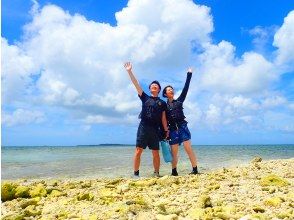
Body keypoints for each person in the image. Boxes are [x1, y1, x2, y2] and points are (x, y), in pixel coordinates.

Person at [124, 62, 169, 178]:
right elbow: (136, 84)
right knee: (138, 150)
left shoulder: (162, 103)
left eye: (156, 85)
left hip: (155, 129)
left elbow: (164, 118)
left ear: (159, 89)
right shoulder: (145, 97)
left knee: (155, 152)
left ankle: (156, 173)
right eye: (152, 85)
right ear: (149, 89)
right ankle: (136, 174)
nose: (154, 86)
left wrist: (166, 131)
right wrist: (129, 71)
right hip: (143, 127)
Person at [162, 68, 198, 176]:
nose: (171, 90)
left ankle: (195, 170)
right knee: (174, 152)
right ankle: (174, 172)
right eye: (169, 90)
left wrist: (189, 74)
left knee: (188, 148)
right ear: (165, 94)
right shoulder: (164, 106)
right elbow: (162, 119)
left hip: (183, 127)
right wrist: (165, 132)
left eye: (172, 89)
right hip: (172, 130)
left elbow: (185, 88)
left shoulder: (179, 101)